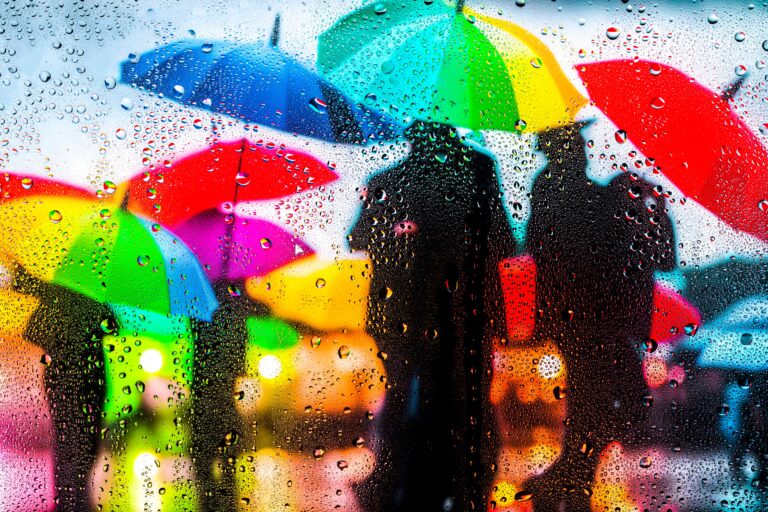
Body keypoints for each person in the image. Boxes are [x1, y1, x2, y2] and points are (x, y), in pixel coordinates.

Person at [348, 120, 515, 511]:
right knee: (467, 401)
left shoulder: (389, 180)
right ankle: (466, 482)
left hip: (413, 317)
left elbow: (357, 239)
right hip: (462, 316)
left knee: (404, 397)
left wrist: (405, 235)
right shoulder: (478, 170)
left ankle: (394, 481)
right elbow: (505, 242)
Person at [522, 121, 676, 511]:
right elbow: (613, 254)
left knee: (600, 404)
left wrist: (643, 202)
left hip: (591, 323)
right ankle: (569, 477)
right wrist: (635, 198)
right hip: (589, 323)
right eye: (575, 145)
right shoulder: (562, 191)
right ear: (560, 152)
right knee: (613, 402)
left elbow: (658, 257)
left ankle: (568, 476)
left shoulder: (581, 193)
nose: (584, 151)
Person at [14, 265, 115, 512]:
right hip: (77, 380)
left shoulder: (71, 295)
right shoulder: (78, 295)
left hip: (78, 380)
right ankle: (72, 497)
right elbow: (113, 326)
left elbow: (112, 325)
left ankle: (73, 496)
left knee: (76, 440)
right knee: (75, 440)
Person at [190, 279, 267, 512]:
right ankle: (224, 501)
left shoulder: (200, 298)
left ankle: (213, 501)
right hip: (218, 390)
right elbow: (261, 309)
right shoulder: (231, 301)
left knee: (209, 457)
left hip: (207, 390)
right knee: (221, 455)